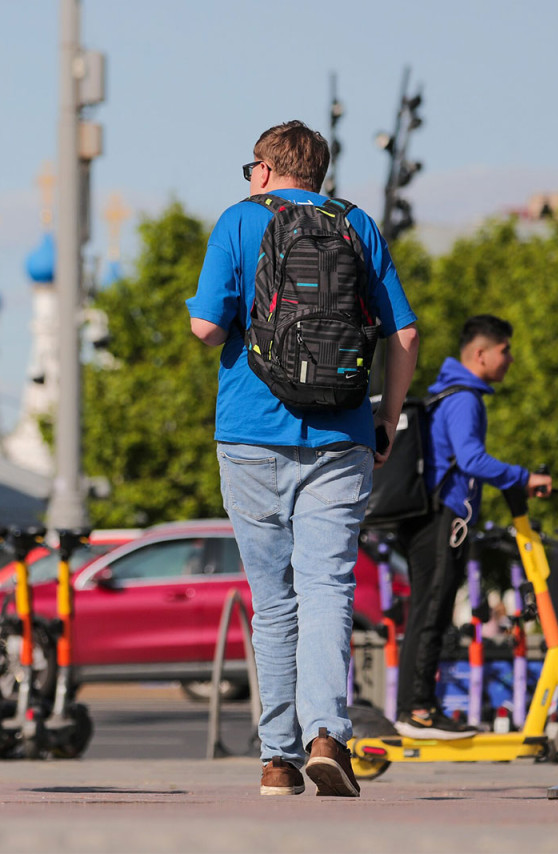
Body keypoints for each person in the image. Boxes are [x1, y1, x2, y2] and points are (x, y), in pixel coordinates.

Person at [187, 121, 420, 797]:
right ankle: (329, 737)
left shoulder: (237, 222)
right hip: (340, 435)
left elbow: (206, 329)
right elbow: (403, 331)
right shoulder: (356, 224)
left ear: (263, 170)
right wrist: (386, 418)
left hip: (251, 437)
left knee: (274, 600)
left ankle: (277, 760)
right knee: (327, 590)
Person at [394, 315, 550, 739]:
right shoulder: (464, 398)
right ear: (480, 354)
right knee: (432, 611)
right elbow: (471, 460)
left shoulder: (447, 392)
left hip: (430, 517)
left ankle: (413, 707)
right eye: (505, 351)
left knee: (429, 609)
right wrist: (523, 477)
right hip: (444, 517)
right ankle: (418, 711)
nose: (510, 359)